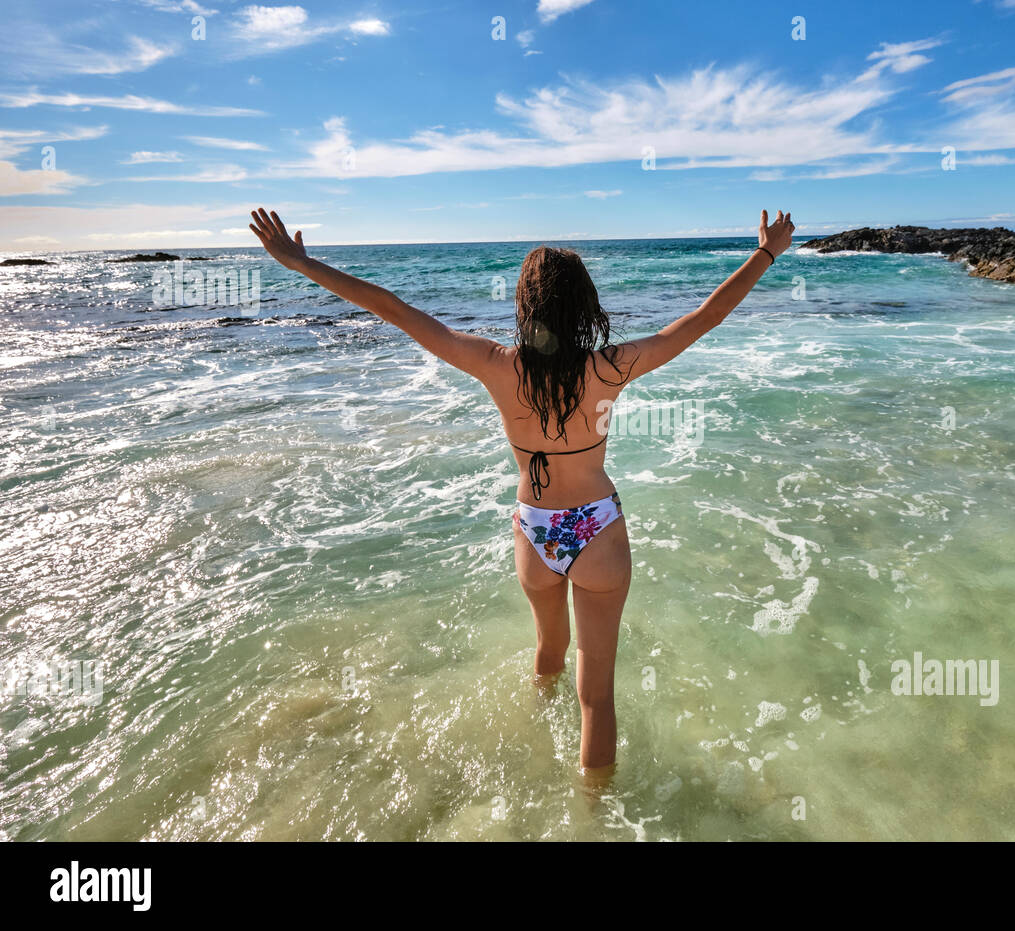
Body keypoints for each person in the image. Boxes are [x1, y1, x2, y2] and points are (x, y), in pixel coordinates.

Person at [248, 207, 796, 776]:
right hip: (596, 529)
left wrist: (300, 263)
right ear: (583, 305)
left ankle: (531, 758)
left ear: (525, 305)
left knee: (548, 656)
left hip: (534, 532)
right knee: (597, 695)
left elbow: (393, 309)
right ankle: (593, 814)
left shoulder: (493, 364)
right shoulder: (611, 367)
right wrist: (766, 253)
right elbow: (705, 317)